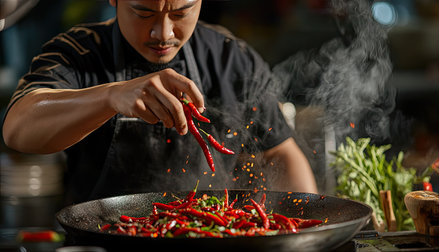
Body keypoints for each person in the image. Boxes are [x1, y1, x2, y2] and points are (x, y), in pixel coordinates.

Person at [2, 0, 318, 204]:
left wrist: (306, 232)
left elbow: (280, 155)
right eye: (143, 12)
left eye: (181, 13)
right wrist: (110, 96)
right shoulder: (77, 52)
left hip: (211, 237)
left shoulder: (232, 59)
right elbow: (18, 128)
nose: (163, 33)